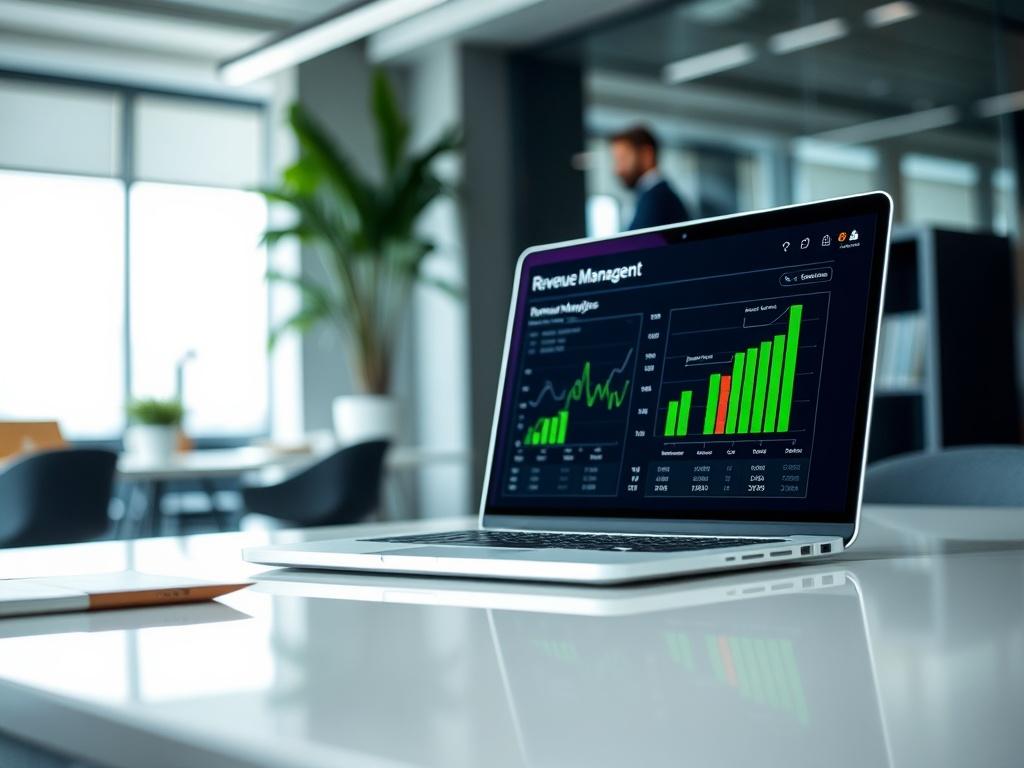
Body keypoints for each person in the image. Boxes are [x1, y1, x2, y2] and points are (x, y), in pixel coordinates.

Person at [610, 125, 690, 231]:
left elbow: (639, 245)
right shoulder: (651, 196)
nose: (617, 170)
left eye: (623, 159)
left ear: (647, 155)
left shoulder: (656, 199)